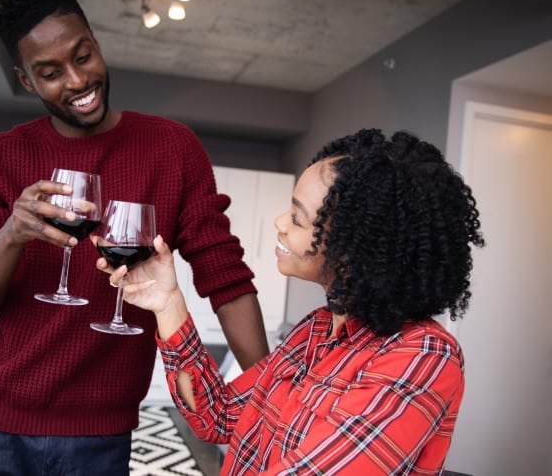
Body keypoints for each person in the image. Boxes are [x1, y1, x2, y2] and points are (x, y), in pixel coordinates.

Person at [0, 0, 269, 474]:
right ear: (27, 81)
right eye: (50, 72)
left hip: (99, 431)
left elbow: (225, 276)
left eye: (83, 56)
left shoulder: (172, 149)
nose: (75, 81)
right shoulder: (1, 157)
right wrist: (13, 232)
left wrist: (267, 393)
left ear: (97, 43)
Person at [101, 129, 485, 475]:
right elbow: (217, 417)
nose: (280, 222)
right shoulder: (314, 330)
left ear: (354, 248)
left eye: (298, 220)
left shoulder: (423, 356)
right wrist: (168, 303)